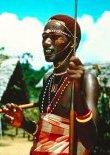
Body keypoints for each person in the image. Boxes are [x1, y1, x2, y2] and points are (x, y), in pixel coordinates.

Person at [2, 14, 99, 155]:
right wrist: (22, 122)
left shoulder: (87, 79)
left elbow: (90, 141)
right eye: (44, 37)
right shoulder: (48, 78)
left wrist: (78, 94)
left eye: (55, 37)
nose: (46, 42)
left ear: (73, 42)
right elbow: (42, 133)